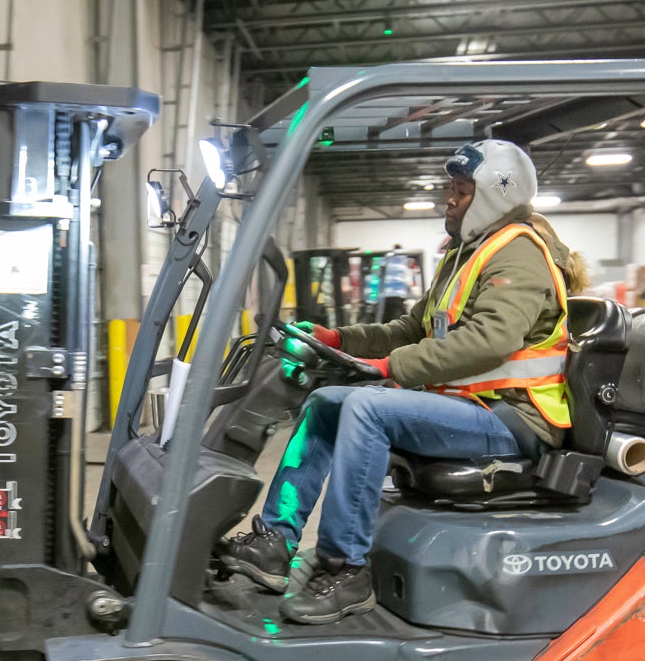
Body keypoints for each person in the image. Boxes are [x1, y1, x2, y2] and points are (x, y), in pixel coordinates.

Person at [213, 138, 586, 624]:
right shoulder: (465, 255)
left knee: (368, 407)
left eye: (461, 191)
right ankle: (277, 542)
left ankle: (345, 569)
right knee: (328, 400)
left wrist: (392, 369)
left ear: (494, 195)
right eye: (450, 189)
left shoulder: (518, 254)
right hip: (472, 409)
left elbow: (492, 339)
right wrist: (339, 337)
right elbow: (412, 328)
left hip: (514, 419)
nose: (448, 200)